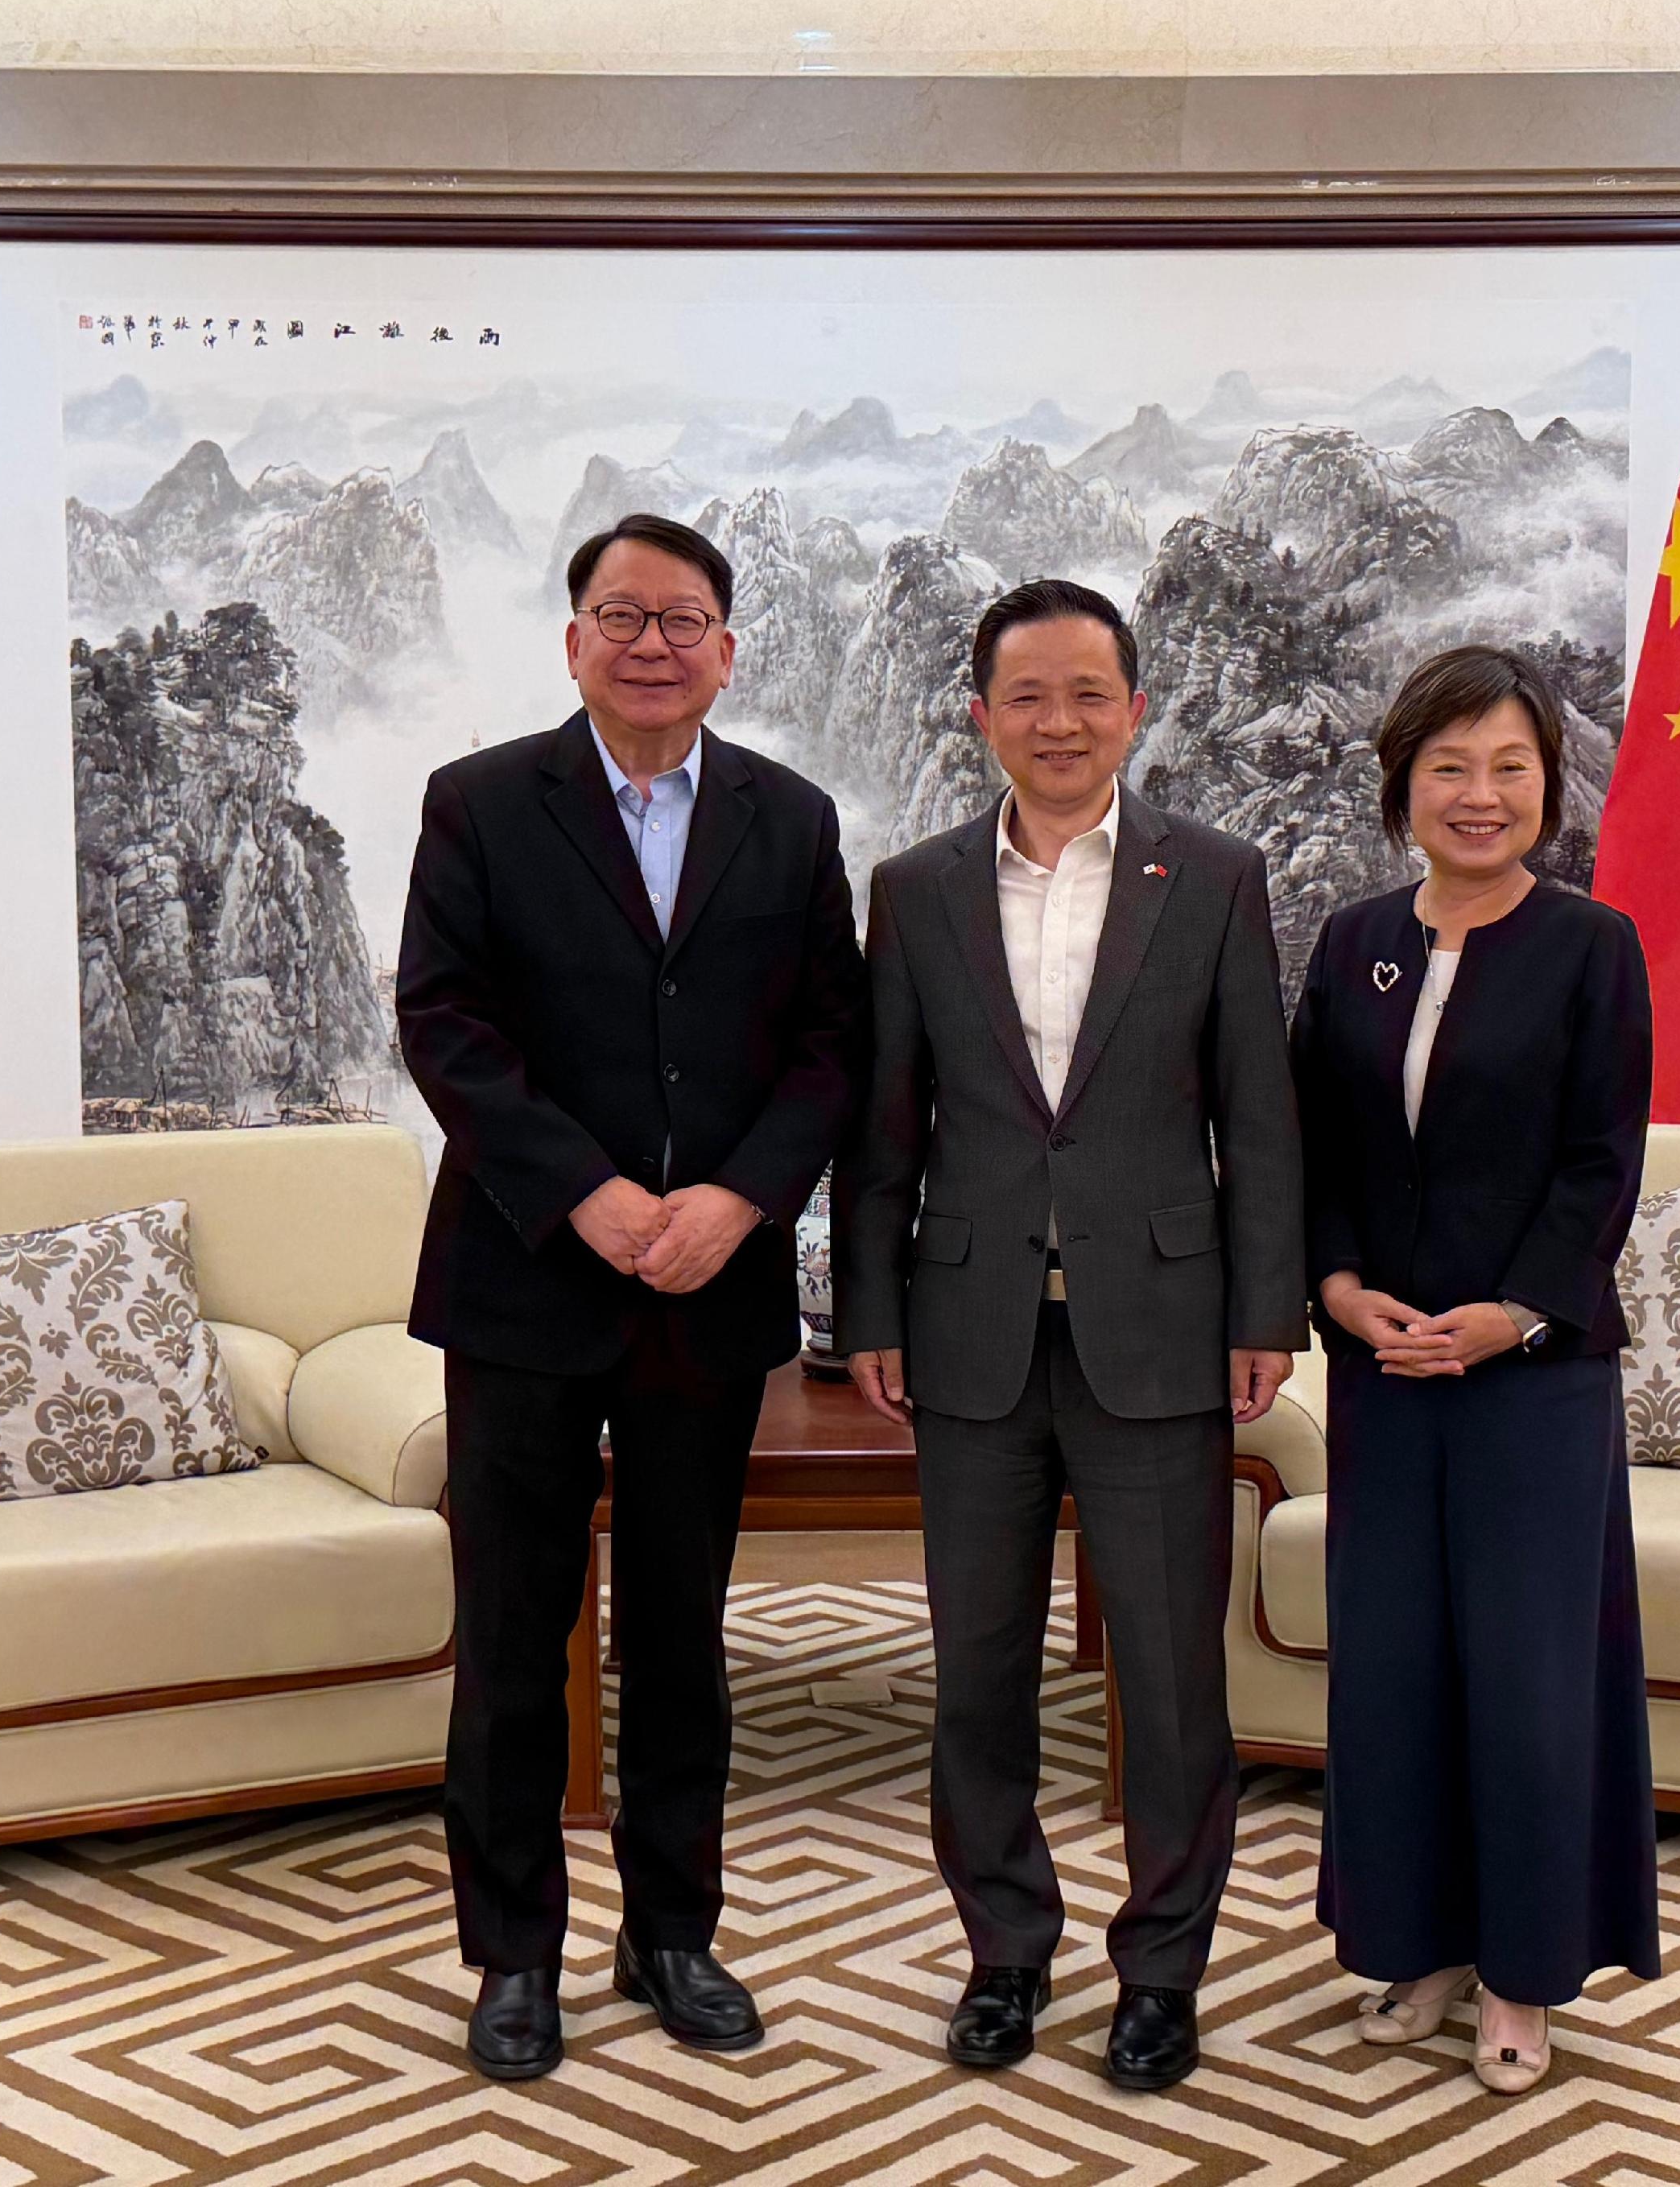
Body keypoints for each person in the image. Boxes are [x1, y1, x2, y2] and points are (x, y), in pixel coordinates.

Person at [396, 513, 865, 2083]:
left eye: (681, 618)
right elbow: (443, 1023)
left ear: (727, 647)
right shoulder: (477, 805)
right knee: (513, 1636)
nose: (650, 643)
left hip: (706, 1292)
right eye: (620, 615)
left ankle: (674, 1933)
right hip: (524, 1285)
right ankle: (512, 1953)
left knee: (680, 1633)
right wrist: (584, 1193)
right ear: (574, 640)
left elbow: (827, 1048)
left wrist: (737, 1200)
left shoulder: (791, 822)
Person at [836, 578, 1305, 2093]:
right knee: (976, 1669)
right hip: (968, 1332)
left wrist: (1264, 1310)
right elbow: (880, 1129)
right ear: (980, 716)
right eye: (1027, 698)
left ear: (1135, 710)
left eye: (1088, 695)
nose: (1059, 723)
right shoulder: (911, 891)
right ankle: (1006, 1956)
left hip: (1163, 1331)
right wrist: (868, 1312)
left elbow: (1261, 1119)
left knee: (1172, 1682)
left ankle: (1161, 1972)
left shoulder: (1213, 877)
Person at [1289, 643, 1661, 2093]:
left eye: (1509, 766)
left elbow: (1600, 1171)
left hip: (1531, 1383)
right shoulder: (1352, 942)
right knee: (1393, 1674)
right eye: (1450, 766)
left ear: (1547, 789)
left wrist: (1514, 1315)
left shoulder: (1594, 947)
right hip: (1383, 1373)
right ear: (1404, 786)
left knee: (1525, 1679)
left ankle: (1522, 1974)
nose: (1480, 793)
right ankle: (1421, 1943)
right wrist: (1334, 1290)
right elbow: (1310, 1147)